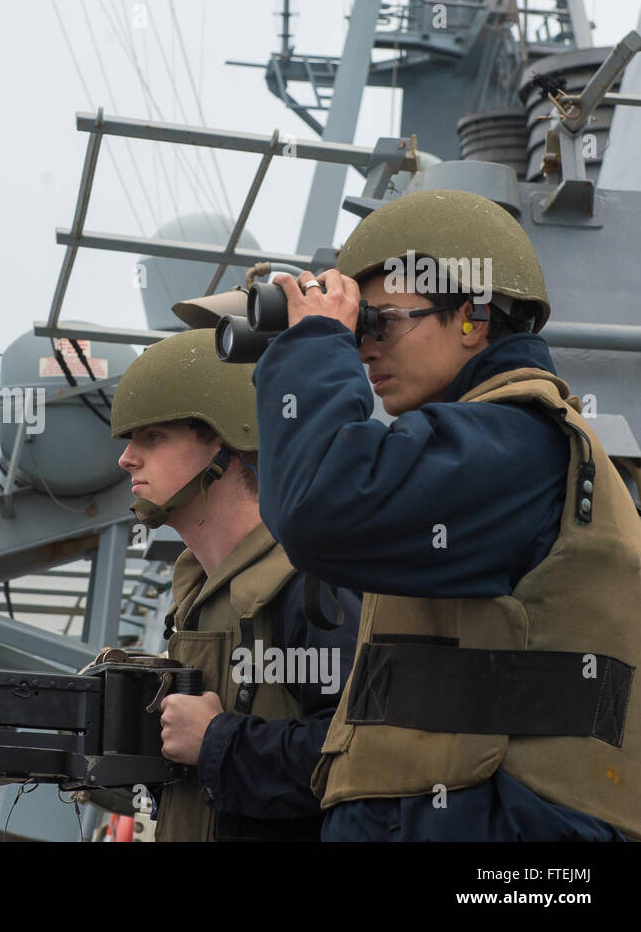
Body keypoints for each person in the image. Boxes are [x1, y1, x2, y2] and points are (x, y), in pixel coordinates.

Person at [254, 188, 640, 841]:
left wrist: (316, 341)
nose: (364, 350)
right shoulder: (477, 452)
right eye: (356, 331)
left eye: (380, 324)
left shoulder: (521, 444)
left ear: (472, 317)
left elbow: (316, 508)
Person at [110, 324, 360, 842]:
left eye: (153, 437)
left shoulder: (311, 581)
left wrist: (217, 740)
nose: (127, 458)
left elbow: (362, 757)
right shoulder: (198, 598)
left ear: (223, 442)